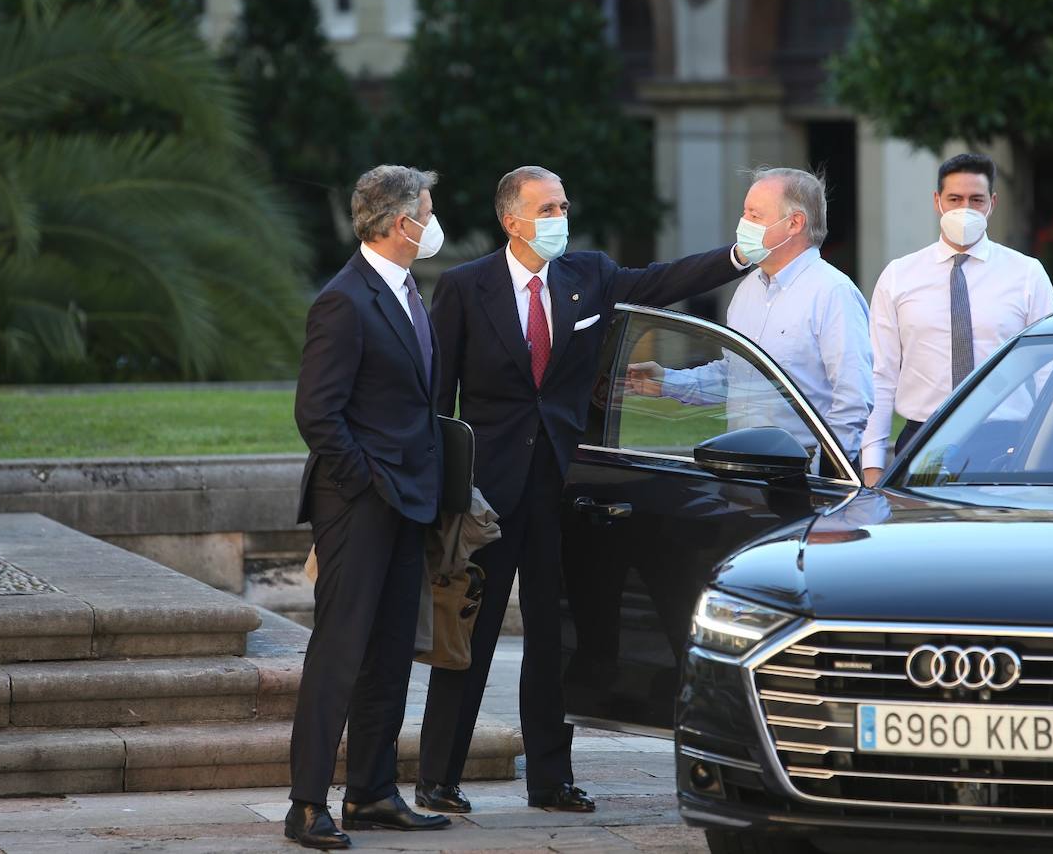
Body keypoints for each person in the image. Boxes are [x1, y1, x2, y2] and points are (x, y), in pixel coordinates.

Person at [416, 165, 754, 815]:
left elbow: (661, 281)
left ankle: (550, 779)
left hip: (563, 494)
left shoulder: (589, 275)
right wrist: (442, 495)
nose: (558, 218)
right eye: (546, 208)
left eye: (563, 205)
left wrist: (737, 256)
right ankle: (438, 775)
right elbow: (437, 402)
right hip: (486, 499)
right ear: (511, 220)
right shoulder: (465, 288)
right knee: (470, 636)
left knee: (554, 640)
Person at [286, 165, 451, 849]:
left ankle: (373, 793)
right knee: (341, 651)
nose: (434, 221)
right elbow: (316, 414)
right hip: (359, 502)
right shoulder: (344, 300)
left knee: (388, 652)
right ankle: (305, 805)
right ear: (397, 222)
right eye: (428, 210)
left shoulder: (410, 291)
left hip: (408, 499)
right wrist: (368, 483)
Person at [627, 167, 874, 465]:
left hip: (803, 469)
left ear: (794, 223)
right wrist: (667, 382)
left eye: (755, 216)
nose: (743, 224)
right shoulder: (748, 289)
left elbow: (853, 400)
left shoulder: (833, 292)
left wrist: (825, 469)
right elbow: (735, 377)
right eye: (745, 214)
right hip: (743, 466)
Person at [861, 153, 1053, 485]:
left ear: (992, 203)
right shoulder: (899, 276)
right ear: (937, 201)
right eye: (955, 199)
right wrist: (872, 465)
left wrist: (1048, 451)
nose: (965, 209)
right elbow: (880, 374)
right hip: (923, 437)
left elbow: (1050, 370)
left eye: (976, 199)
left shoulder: (1026, 274)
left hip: (1007, 438)